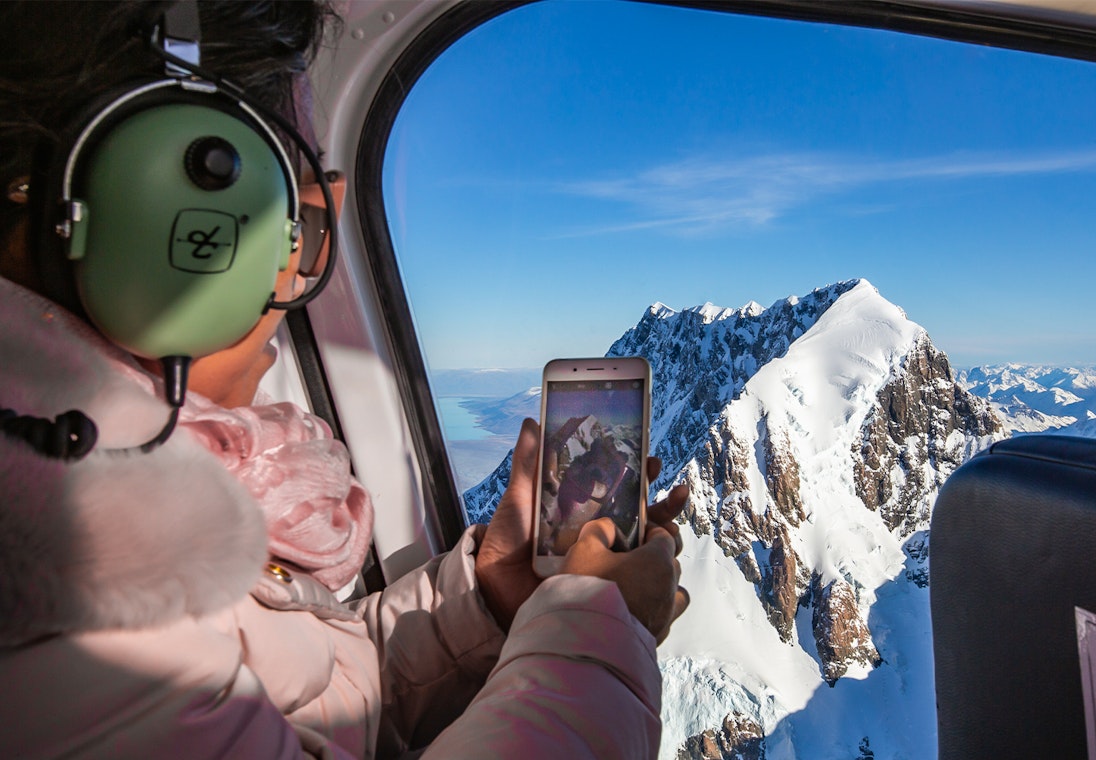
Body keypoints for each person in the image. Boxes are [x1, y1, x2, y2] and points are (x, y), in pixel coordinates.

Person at [0, 2, 689, 758]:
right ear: (178, 219)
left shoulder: (106, 528)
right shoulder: (74, 586)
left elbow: (310, 703)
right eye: (293, 218)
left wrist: (493, 602)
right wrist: (597, 634)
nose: (303, 274)